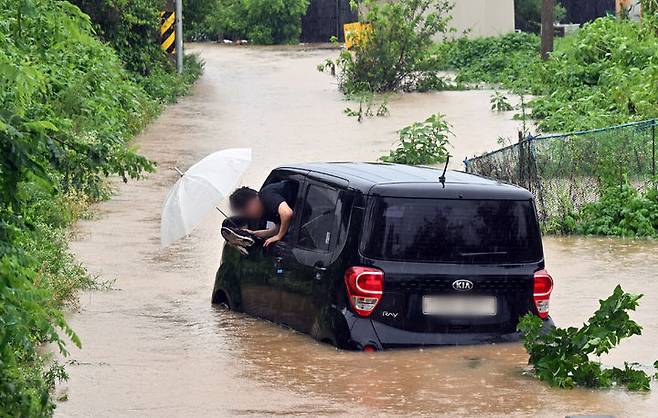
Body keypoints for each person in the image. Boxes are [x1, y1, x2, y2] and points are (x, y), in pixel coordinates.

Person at [228, 181, 295, 248]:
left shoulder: (266, 195)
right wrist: (254, 233)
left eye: (246, 212)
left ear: (251, 202)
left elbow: (287, 213)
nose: (249, 216)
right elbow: (278, 229)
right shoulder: (264, 212)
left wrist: (279, 236)